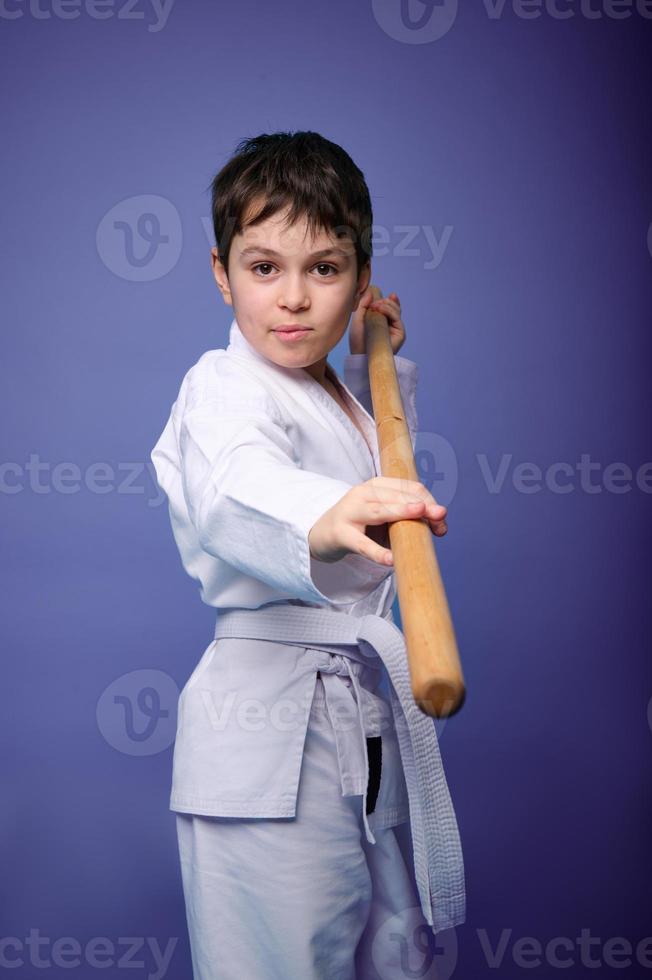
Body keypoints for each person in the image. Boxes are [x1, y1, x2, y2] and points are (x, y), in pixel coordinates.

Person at [150, 130, 465, 980]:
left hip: (353, 724)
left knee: (388, 949)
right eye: (264, 269)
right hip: (265, 737)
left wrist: (374, 364)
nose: (293, 299)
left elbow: (332, 438)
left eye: (324, 270)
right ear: (221, 272)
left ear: (360, 277)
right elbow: (239, 485)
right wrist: (327, 516)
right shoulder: (220, 389)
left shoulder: (327, 385)